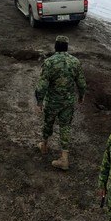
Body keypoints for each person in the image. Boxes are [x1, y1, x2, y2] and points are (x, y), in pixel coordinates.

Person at [35, 35, 86, 170]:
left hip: (52, 101)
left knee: (48, 123)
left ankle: (44, 146)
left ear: (56, 46)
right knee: (65, 126)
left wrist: (39, 101)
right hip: (68, 102)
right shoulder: (75, 62)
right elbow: (81, 82)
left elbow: (42, 85)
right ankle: (64, 158)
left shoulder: (49, 62)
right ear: (67, 47)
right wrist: (81, 96)